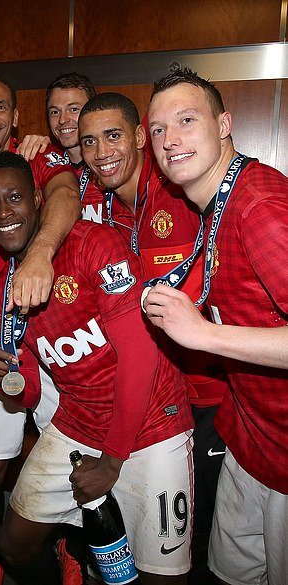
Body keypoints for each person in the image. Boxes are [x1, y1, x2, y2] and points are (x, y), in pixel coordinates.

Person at [0, 150, 193, 585]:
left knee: (161, 578)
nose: (3, 213)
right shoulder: (2, 290)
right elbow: (29, 391)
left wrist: (111, 462)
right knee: (13, 544)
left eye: (14, 197)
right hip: (80, 422)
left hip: (152, 423)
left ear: (38, 199)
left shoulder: (94, 243)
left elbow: (141, 355)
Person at [78, 91, 229, 583]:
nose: (102, 152)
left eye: (113, 136)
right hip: (151, 388)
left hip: (208, 393)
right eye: (89, 142)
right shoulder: (106, 207)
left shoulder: (181, 193)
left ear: (141, 137)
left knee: (200, 534)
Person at [145, 68, 288, 585]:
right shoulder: (218, 204)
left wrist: (203, 334)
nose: (170, 140)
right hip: (251, 440)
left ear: (224, 125)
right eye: (158, 129)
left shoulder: (258, 207)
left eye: (187, 120)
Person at [0, 74, 80, 585]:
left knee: (70, 452)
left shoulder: (36, 157)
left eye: (0, 107)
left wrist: (41, 253)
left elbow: (66, 194)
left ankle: (66, 545)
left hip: (48, 322)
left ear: (16, 116)